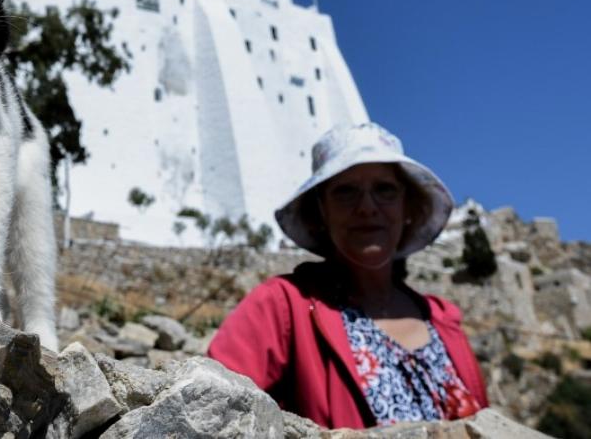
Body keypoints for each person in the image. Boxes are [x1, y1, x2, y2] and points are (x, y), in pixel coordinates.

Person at [208, 122, 488, 429]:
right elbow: (210, 410)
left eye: (384, 190)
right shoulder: (284, 307)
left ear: (407, 206)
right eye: (346, 192)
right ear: (320, 211)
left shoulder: (444, 322)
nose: (367, 207)